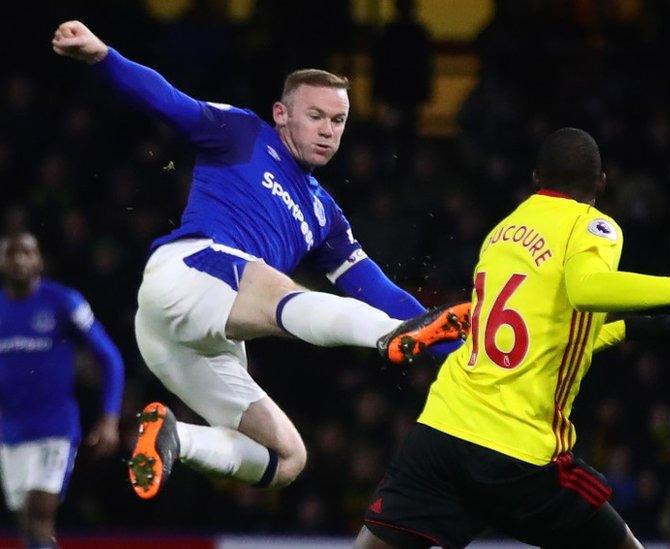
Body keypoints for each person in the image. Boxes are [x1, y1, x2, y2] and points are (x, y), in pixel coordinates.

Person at [51, 20, 468, 500]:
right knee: (285, 294)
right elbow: (168, 100)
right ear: (281, 114)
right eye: (316, 116)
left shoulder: (326, 216)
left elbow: (380, 291)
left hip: (179, 343)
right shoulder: (243, 132)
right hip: (189, 270)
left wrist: (459, 354)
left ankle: (177, 437)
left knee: (287, 458)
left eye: (338, 122)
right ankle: (387, 339)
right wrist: (104, 56)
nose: (328, 131)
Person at [355, 128, 670, 548]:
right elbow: (586, 290)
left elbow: (536, 335)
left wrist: (632, 328)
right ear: (601, 184)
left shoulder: (500, 232)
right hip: (519, 454)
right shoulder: (591, 226)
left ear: (535, 180)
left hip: (442, 430)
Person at [0, 232, 124, 549]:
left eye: (26, 253)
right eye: (10, 253)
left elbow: (109, 357)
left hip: (55, 428)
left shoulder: (63, 302)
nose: (18, 260)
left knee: (40, 513)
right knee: (26, 521)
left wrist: (109, 417)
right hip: (10, 431)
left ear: (39, 260)